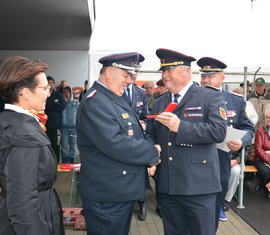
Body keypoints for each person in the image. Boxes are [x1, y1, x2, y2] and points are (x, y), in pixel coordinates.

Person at [76, 52, 161, 235]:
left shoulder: (110, 98)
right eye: (125, 75)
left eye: (131, 76)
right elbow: (115, 143)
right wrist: (151, 153)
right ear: (108, 72)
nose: (129, 81)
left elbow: (135, 131)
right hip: (107, 194)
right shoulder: (96, 102)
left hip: (118, 191)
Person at [146, 48, 227, 235]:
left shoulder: (209, 96)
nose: (164, 76)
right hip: (168, 185)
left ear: (186, 72)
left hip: (198, 185)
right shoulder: (159, 102)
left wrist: (181, 127)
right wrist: (152, 150)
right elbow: (151, 133)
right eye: (163, 71)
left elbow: (219, 132)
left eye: (169, 71)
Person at [0, 56, 65, 235]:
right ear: (26, 93)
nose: (48, 93)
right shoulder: (23, 136)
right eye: (44, 88)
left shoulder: (11, 121)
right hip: (36, 217)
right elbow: (22, 204)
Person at [197, 57, 254, 228]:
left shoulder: (236, 101)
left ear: (222, 78)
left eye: (211, 76)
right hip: (196, 162)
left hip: (220, 161)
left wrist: (241, 141)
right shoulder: (191, 98)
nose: (206, 80)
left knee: (214, 209)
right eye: (203, 77)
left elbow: (248, 129)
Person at [122, 54, 149, 221]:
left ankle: (142, 203)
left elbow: (145, 115)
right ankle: (128, 201)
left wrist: (144, 123)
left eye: (136, 72)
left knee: (141, 172)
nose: (134, 75)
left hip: (138, 140)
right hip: (122, 141)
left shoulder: (141, 93)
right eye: (132, 71)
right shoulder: (116, 91)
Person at [45, 76, 66, 162]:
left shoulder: (59, 95)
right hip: (44, 125)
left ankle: (56, 163)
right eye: (48, 83)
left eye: (52, 83)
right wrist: (54, 105)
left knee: (55, 145)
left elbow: (63, 106)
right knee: (45, 146)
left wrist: (48, 105)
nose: (50, 84)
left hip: (56, 126)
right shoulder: (43, 95)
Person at [61, 86, 79, 163]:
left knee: (73, 145)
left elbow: (79, 114)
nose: (66, 93)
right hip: (64, 127)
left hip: (74, 128)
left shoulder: (76, 102)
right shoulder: (62, 103)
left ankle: (73, 161)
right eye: (65, 92)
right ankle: (65, 161)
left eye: (68, 92)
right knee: (64, 145)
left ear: (70, 92)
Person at [254, 107, 270, 199]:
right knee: (266, 171)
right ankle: (267, 190)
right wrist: (268, 160)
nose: (268, 120)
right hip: (260, 158)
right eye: (267, 117)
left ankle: (266, 185)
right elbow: (258, 149)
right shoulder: (260, 131)